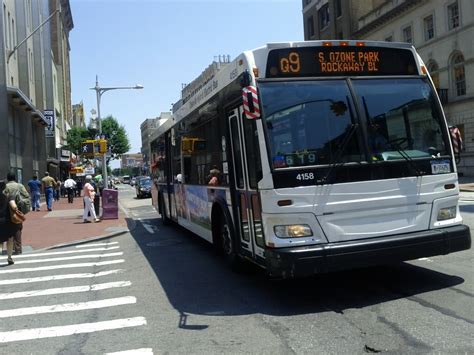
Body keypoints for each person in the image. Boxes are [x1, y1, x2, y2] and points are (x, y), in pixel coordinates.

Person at [3, 172, 29, 256]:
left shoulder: (5, 186)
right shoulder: (19, 186)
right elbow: (26, 195)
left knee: (9, 228)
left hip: (6, 210)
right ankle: (18, 249)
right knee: (17, 228)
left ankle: (11, 247)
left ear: (7, 178)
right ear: (15, 178)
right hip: (17, 210)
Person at [0, 179, 19, 265]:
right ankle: (9, 257)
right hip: (7, 221)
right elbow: (14, 206)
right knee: (9, 239)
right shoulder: (8, 196)